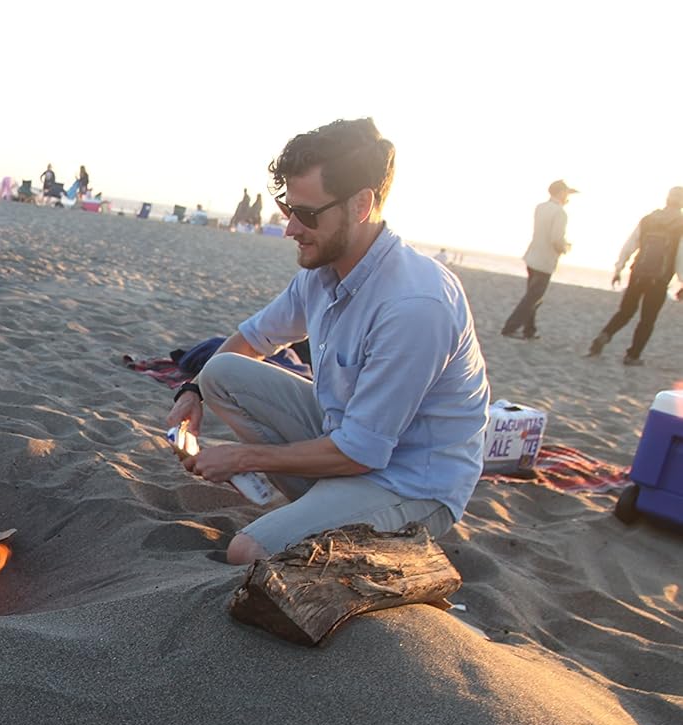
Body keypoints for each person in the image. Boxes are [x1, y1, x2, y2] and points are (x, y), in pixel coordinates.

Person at [165, 117, 489, 564]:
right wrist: (192, 393)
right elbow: (253, 337)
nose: (290, 228)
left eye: (307, 214)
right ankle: (319, 512)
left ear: (361, 204)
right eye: (287, 208)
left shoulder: (415, 305)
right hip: (349, 440)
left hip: (412, 483)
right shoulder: (323, 272)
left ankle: (330, 520)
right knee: (219, 372)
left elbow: (362, 453)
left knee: (249, 551)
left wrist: (241, 458)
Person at [587, 186, 683, 366]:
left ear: (667, 199)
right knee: (647, 319)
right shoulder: (680, 225)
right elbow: (680, 257)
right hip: (659, 281)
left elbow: (629, 245)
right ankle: (633, 356)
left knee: (625, 312)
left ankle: (605, 335)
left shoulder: (648, 219)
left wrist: (618, 268)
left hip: (637, 275)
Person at [498, 179, 576, 340]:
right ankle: (510, 327)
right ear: (560, 193)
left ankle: (529, 330)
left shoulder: (541, 207)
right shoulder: (560, 213)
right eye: (566, 193)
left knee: (533, 296)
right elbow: (555, 238)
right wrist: (565, 248)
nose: (568, 196)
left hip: (532, 255)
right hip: (545, 260)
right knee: (533, 297)